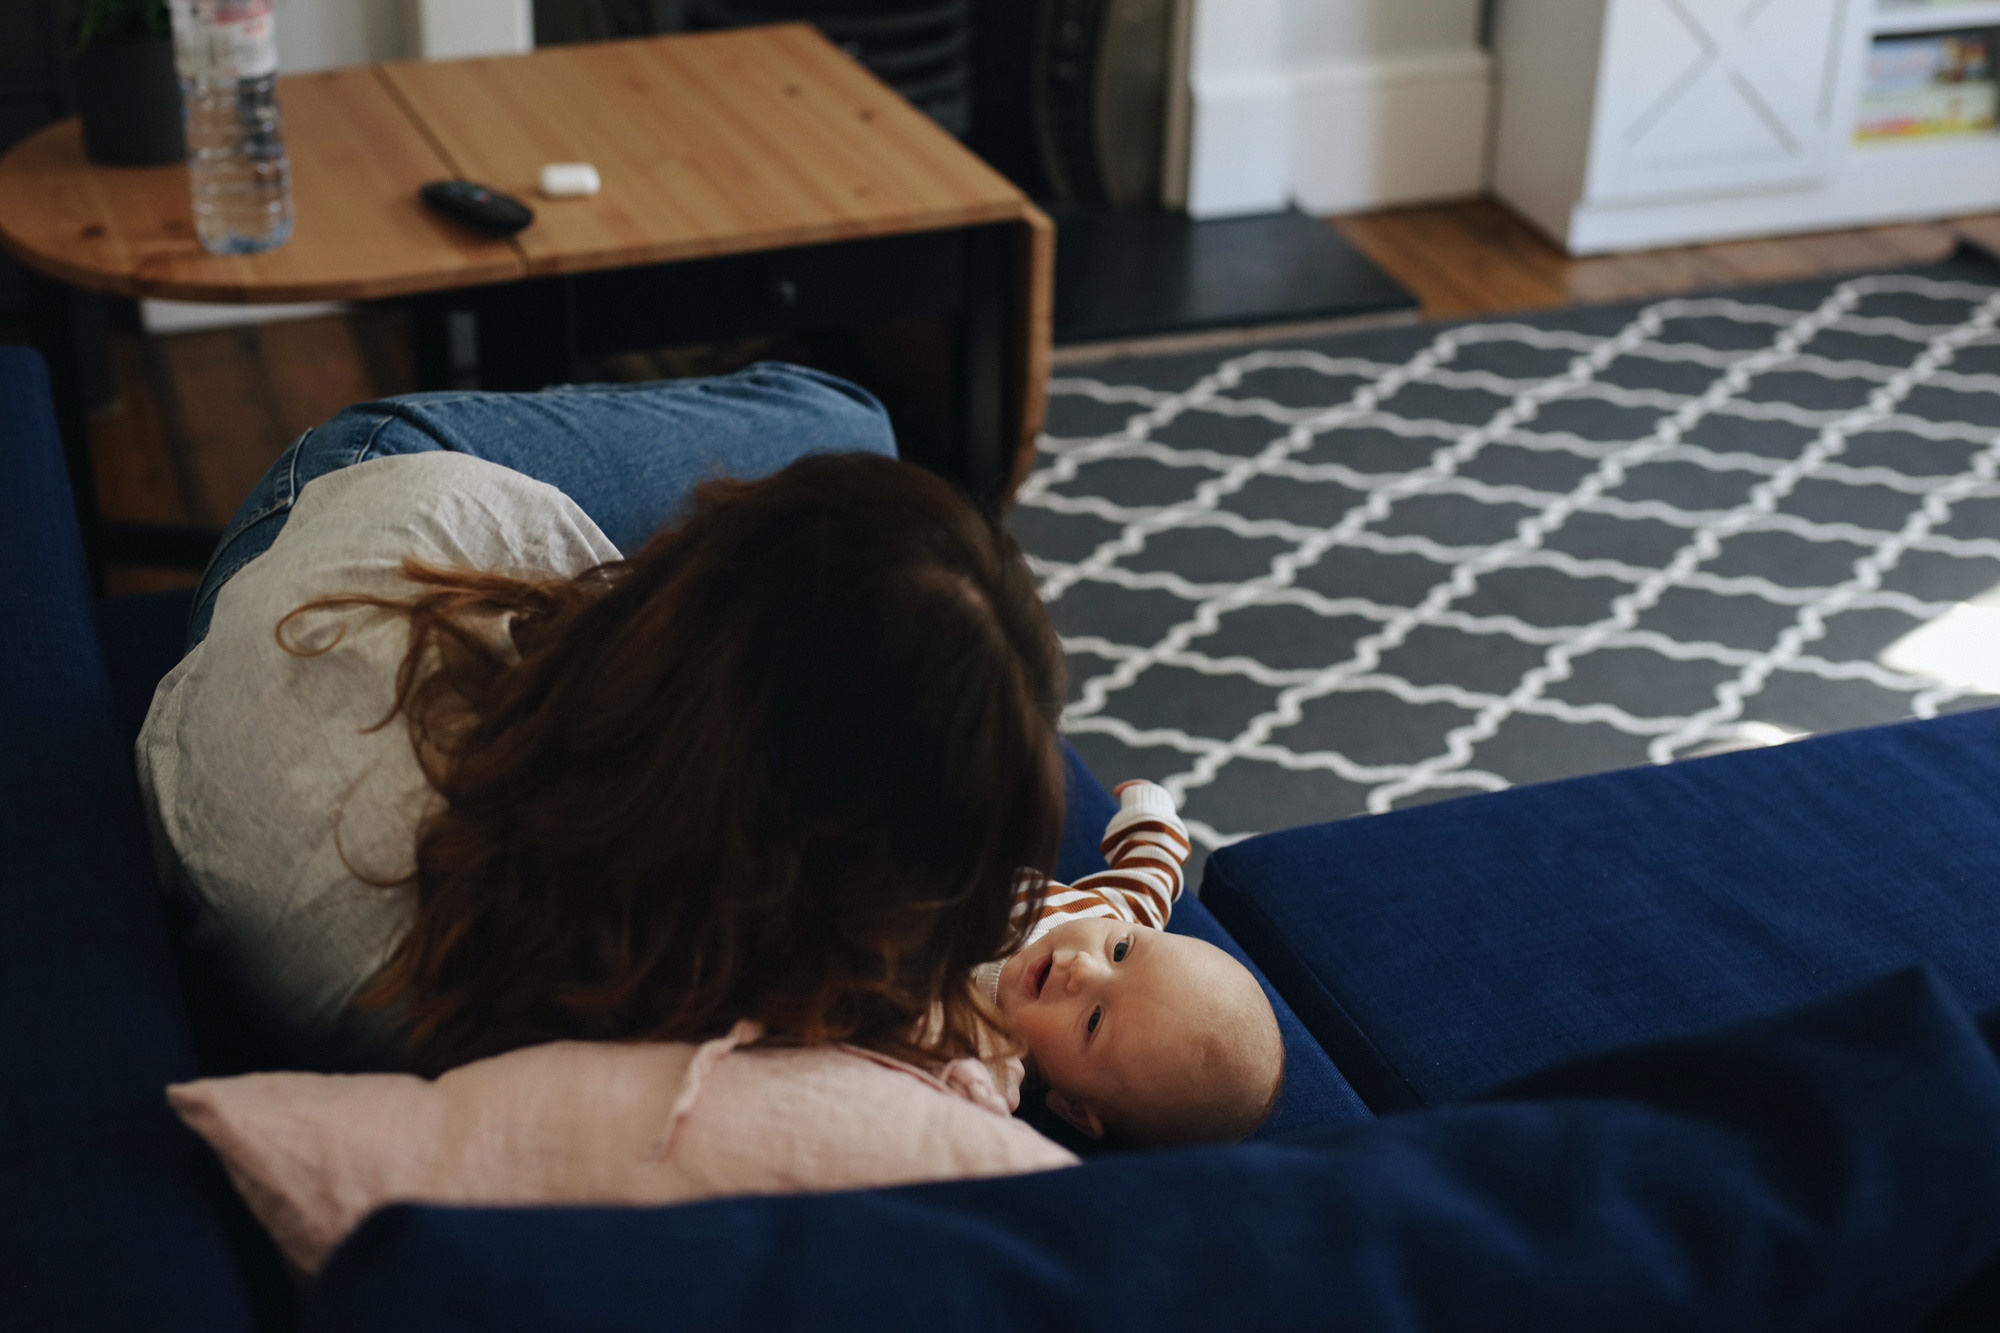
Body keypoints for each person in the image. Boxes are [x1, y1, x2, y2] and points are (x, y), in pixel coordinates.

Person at [138, 365, 1068, 1081]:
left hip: (334, 523)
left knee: (853, 427)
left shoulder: (573, 762)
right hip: (328, 592)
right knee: (873, 462)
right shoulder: (686, 968)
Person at [978, 780, 1284, 1145]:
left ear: (1073, 1107)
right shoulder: (1115, 916)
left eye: (1094, 1021)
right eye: (1120, 953)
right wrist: (1153, 814)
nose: (1083, 969)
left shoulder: (987, 1048)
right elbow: (1153, 871)